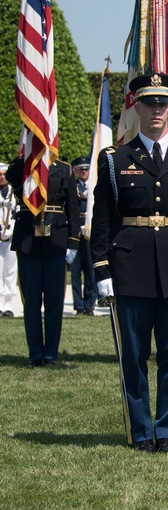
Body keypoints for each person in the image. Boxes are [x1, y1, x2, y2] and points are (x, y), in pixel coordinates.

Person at [91, 73, 168, 452]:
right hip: (131, 267)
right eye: (149, 103)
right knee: (134, 353)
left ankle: (167, 431)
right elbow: (103, 219)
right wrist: (101, 268)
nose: (156, 110)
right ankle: (141, 432)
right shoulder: (114, 159)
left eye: (163, 104)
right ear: (137, 107)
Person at [7, 152, 80, 367]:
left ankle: (50, 354)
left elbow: (73, 208)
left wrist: (73, 242)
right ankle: (35, 353)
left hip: (55, 239)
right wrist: (25, 156)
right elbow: (11, 176)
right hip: (28, 238)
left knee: (54, 301)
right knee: (31, 302)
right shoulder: (23, 165)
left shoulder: (64, 169)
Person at [70, 156, 97, 316]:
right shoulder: (72, 186)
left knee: (90, 270)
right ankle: (79, 306)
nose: (84, 171)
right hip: (75, 233)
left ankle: (90, 304)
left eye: (87, 169)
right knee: (75, 272)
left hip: (89, 232)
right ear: (75, 171)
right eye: (81, 169)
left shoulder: (93, 186)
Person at [0, 163, 18, 318]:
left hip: (10, 236)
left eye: (4, 174)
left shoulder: (14, 193)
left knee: (10, 271)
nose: (1, 177)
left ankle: (8, 304)